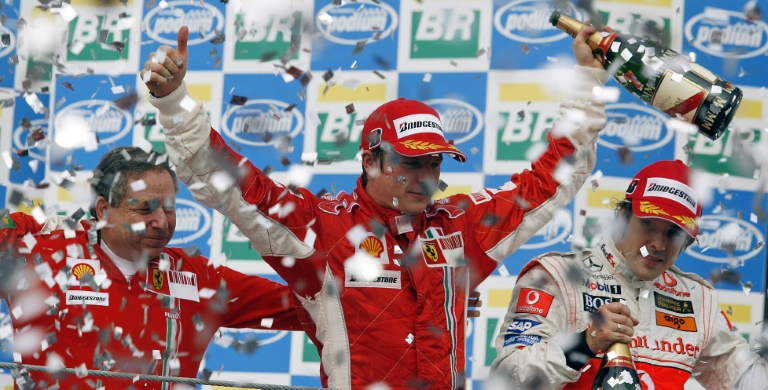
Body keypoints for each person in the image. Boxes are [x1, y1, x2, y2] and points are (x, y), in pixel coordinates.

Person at [141, 23, 608, 389]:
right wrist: (174, 103)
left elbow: (551, 180)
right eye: (410, 164)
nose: (426, 180)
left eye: (434, 164)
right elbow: (232, 182)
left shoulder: (460, 227)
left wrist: (587, 82)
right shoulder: (320, 230)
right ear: (370, 159)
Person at [0, 147, 302, 389]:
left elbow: (306, 305)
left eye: (169, 207)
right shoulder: (40, 255)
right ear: (104, 210)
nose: (161, 221)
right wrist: (17, 226)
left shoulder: (197, 277)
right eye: (145, 209)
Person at [491, 159, 768, 389]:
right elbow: (506, 379)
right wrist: (585, 343)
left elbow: (747, 382)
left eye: (673, 233)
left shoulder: (698, 300)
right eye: (648, 224)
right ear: (622, 217)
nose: (658, 244)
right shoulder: (557, 276)